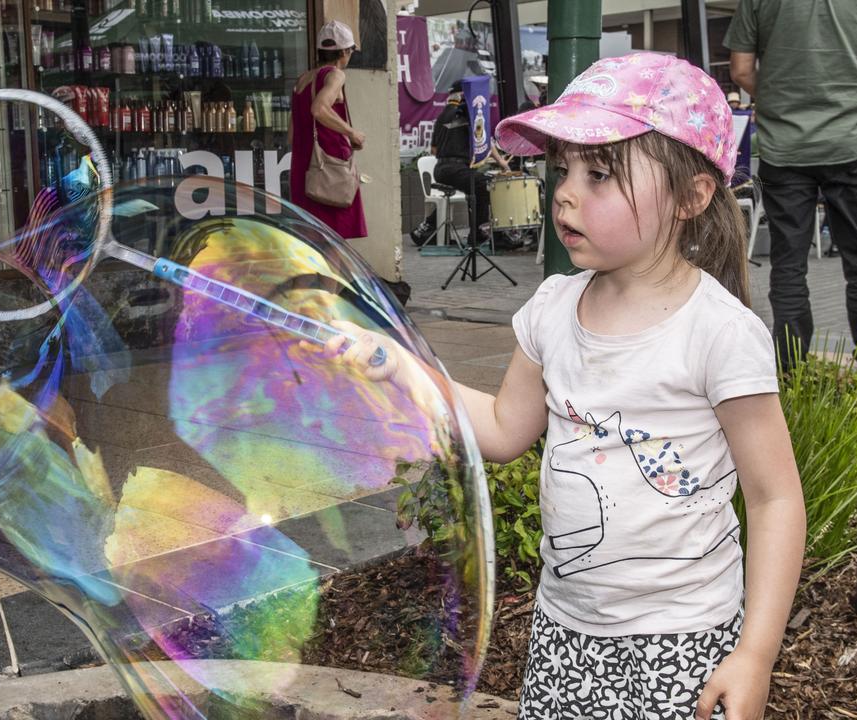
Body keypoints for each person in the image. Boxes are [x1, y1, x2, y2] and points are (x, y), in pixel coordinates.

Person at [321, 53, 805, 719]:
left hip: (684, 641)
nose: (567, 194)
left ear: (691, 197)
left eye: (600, 174)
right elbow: (502, 431)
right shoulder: (553, 308)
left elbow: (775, 497)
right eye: (562, 171)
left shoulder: (718, 332)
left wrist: (754, 655)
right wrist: (405, 367)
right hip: (566, 633)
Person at [724, 0, 857, 368]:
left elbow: (741, 70)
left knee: (788, 263)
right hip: (856, 141)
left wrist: (778, 98)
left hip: (785, 147)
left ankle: (790, 372)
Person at [288, 20, 367, 239]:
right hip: (330, 170)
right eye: (350, 50)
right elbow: (319, 109)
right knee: (335, 243)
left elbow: (292, 133)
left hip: (304, 169)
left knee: (312, 240)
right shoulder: (335, 75)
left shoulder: (302, 80)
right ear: (343, 51)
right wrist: (351, 133)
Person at [409, 89, 510, 246]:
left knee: (473, 186)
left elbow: (434, 150)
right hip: (455, 168)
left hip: (441, 168)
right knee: (484, 185)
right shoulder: (468, 116)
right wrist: (501, 162)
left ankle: (428, 228)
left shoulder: (443, 115)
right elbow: (484, 141)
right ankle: (479, 234)